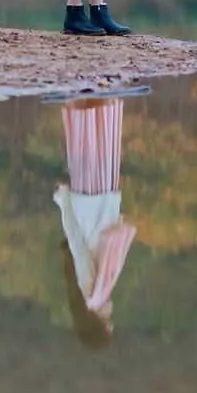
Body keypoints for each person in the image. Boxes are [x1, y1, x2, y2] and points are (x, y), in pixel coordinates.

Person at [53, 97, 137, 348]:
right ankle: (98, 99)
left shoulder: (92, 292)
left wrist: (65, 200)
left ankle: (86, 100)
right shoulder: (101, 289)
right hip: (102, 204)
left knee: (90, 148)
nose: (111, 321)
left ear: (96, 324)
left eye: (107, 325)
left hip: (91, 203)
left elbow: (77, 245)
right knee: (99, 148)